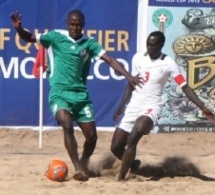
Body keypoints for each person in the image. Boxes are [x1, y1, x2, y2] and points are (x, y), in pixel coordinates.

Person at [10, 10, 141, 181]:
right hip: (59, 93)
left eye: (78, 24)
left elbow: (110, 60)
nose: (75, 27)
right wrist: (19, 29)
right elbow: (30, 38)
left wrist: (128, 76)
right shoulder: (56, 36)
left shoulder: (89, 43)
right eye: (72, 24)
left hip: (80, 95)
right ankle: (78, 168)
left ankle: (84, 162)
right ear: (68, 24)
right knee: (66, 123)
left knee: (92, 137)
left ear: (83, 25)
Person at [110, 31, 215, 181]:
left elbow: (184, 87)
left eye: (153, 45)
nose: (149, 48)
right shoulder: (138, 58)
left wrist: (202, 107)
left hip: (152, 106)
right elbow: (131, 83)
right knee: (115, 147)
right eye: (148, 44)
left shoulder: (169, 63)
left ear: (161, 46)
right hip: (134, 105)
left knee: (134, 137)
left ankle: (121, 179)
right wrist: (121, 105)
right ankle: (133, 164)